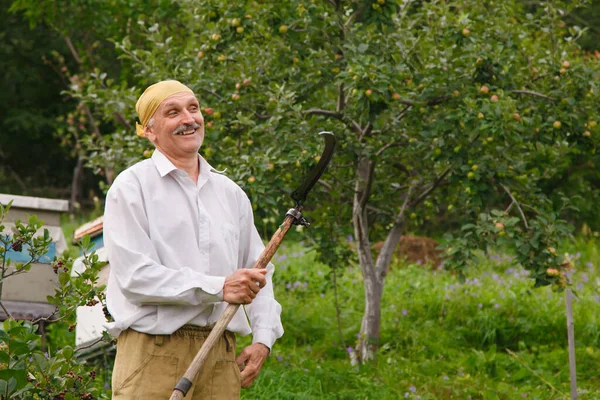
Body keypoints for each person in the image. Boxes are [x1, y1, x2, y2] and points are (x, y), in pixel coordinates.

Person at [103, 80, 283, 399]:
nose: (189, 118)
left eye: (194, 108)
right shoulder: (131, 188)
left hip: (220, 352)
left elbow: (259, 272)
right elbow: (135, 277)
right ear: (149, 130)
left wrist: (263, 338)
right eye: (173, 112)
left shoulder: (231, 194)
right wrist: (219, 287)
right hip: (153, 352)